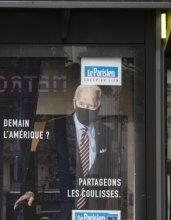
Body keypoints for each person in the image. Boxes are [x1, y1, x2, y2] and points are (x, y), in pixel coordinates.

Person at [14, 84, 118, 212]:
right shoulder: (56, 127)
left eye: (91, 105)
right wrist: (30, 190)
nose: (86, 108)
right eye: (81, 103)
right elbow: (39, 161)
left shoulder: (106, 133)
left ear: (99, 108)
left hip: (95, 208)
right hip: (62, 205)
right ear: (74, 104)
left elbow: (109, 170)